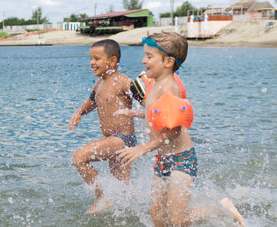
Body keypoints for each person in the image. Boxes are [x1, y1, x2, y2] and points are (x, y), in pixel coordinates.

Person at [115, 32, 245, 226]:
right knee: (158, 216)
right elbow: (159, 114)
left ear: (168, 61)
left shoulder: (170, 88)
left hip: (182, 160)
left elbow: (174, 130)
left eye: (149, 56)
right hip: (163, 159)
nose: (143, 61)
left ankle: (224, 210)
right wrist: (133, 113)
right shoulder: (155, 83)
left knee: (178, 220)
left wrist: (142, 148)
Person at [68, 39, 136, 214]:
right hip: (112, 139)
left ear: (112, 61)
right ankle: (135, 212)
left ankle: (102, 196)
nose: (92, 63)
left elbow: (147, 99)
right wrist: (79, 112)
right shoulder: (98, 83)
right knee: (123, 192)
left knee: (79, 158)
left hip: (123, 139)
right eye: (91, 58)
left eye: (97, 59)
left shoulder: (123, 81)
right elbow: (92, 102)